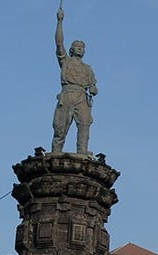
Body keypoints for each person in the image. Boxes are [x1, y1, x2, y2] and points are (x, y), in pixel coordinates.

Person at [51, 7, 98, 155]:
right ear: (71, 49)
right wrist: (60, 22)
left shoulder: (88, 69)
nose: (79, 49)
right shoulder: (66, 61)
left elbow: (93, 86)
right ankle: (56, 150)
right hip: (68, 94)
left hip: (81, 97)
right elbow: (59, 43)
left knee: (84, 123)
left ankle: (82, 150)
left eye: (82, 48)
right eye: (77, 47)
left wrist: (93, 90)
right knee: (61, 125)